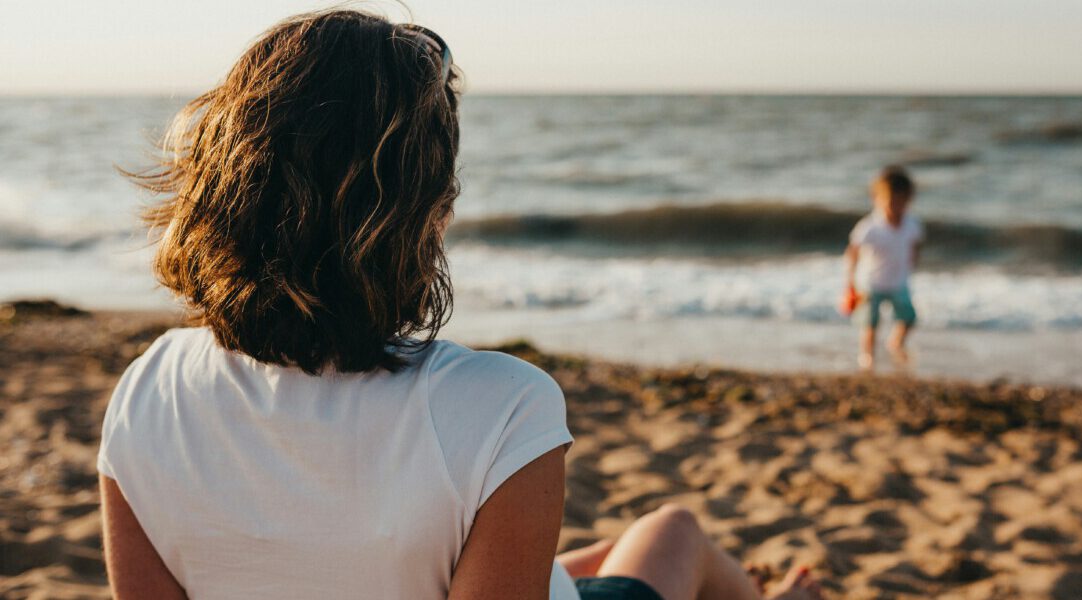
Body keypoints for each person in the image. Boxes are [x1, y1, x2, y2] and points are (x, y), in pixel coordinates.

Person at [98, 9, 823, 600]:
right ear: (427, 215)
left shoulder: (144, 394)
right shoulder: (504, 409)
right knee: (676, 532)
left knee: (582, 557)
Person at [844, 166, 924, 371]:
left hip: (898, 281)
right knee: (870, 323)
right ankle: (867, 356)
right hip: (871, 282)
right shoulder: (870, 226)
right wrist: (850, 282)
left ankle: (895, 342)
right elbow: (852, 252)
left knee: (908, 318)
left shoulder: (912, 224)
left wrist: (911, 264)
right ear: (876, 199)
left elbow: (914, 245)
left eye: (901, 203)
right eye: (891, 203)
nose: (895, 208)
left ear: (908, 201)